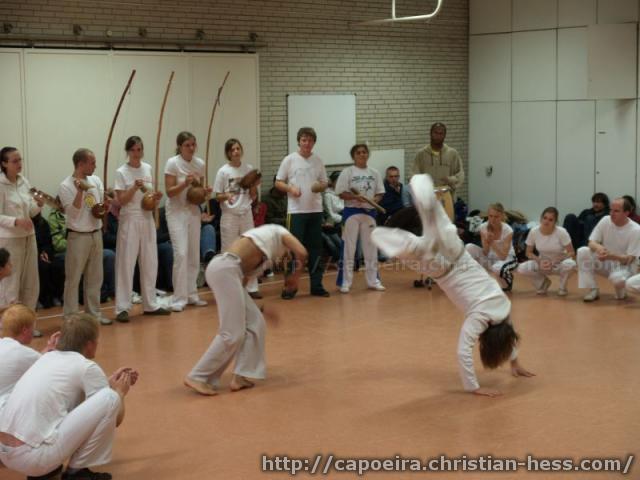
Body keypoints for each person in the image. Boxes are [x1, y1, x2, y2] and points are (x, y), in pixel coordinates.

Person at [371, 174, 534, 397]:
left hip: (458, 253)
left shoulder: (503, 308)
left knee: (440, 223)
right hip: (442, 271)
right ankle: (415, 244)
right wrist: (474, 387)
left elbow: (509, 332)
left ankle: (427, 204)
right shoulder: (480, 319)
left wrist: (514, 361)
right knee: (415, 250)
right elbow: (463, 352)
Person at [0, 313, 138, 479]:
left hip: (5, 453)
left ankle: (45, 469)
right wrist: (120, 392)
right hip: (34, 459)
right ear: (90, 344)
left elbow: (79, 400)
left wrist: (108, 383)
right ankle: (77, 472)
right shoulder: (86, 366)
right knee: (110, 398)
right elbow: (114, 418)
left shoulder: (46, 358)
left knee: (89, 398)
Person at [184, 224, 307, 396]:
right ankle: (197, 376)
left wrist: (261, 309)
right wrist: (295, 278)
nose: (284, 261)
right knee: (232, 333)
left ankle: (241, 375)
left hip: (226, 272)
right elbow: (302, 252)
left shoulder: (265, 255)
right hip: (225, 269)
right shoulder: (280, 232)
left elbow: (241, 288)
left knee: (256, 322)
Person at [113, 136, 170, 323]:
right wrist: (133, 188)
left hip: (146, 219)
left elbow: (149, 197)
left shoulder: (147, 168)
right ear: (128, 152)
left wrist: (156, 198)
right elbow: (121, 201)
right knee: (126, 263)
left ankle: (150, 304)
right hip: (130, 219)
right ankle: (122, 307)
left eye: (139, 149)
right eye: (133, 150)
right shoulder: (121, 172)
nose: (137, 153)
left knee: (150, 262)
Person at [58, 148, 111, 325]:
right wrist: (80, 191)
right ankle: (70, 316)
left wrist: (105, 206)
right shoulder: (66, 185)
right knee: (73, 278)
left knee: (95, 277)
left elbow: (98, 207)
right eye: (92, 163)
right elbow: (72, 214)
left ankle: (93, 314)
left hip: (96, 233)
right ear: (81, 164)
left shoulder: (95, 180)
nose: (95, 166)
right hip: (78, 236)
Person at [275, 127, 330, 298]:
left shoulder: (318, 160)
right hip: (296, 212)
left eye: (310, 140)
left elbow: (325, 182)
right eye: (304, 140)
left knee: (315, 250)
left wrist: (320, 186)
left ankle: (317, 286)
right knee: (294, 251)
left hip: (315, 210)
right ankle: (290, 287)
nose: (307, 143)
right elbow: (278, 182)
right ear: (299, 141)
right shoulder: (289, 160)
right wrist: (290, 189)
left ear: (314, 142)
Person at [164, 131, 211, 312]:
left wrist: (205, 192)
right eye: (187, 145)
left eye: (193, 144)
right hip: (176, 212)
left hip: (193, 211)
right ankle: (179, 297)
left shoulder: (200, 164)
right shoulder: (172, 163)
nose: (191, 148)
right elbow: (169, 192)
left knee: (193, 254)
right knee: (181, 253)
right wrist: (185, 183)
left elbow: (199, 192)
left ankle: (192, 293)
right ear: (180, 147)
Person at [335, 144, 386, 293]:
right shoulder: (347, 172)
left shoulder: (374, 173)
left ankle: (373, 281)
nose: (362, 154)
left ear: (368, 155)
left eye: (364, 152)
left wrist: (374, 201)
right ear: (353, 156)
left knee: (371, 248)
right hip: (352, 212)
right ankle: (345, 282)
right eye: (358, 153)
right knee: (349, 248)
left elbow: (380, 193)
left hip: (369, 213)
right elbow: (341, 193)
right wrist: (355, 197)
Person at [213, 138, 260, 299]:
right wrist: (226, 195)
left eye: (238, 148)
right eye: (232, 150)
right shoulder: (223, 171)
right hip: (229, 215)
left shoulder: (248, 169)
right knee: (229, 251)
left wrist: (253, 185)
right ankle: (227, 287)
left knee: (250, 249)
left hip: (246, 213)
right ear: (228, 153)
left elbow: (253, 195)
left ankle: (252, 287)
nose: (236, 152)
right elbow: (217, 196)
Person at [0, 147, 43, 316]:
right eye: (14, 161)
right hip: (10, 239)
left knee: (31, 282)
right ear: (4, 164)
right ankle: (9, 324)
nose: (19, 163)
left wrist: (39, 204)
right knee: (11, 283)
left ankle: (28, 323)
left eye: (20, 160)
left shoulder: (24, 181)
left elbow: (31, 211)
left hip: (29, 236)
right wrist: (16, 221)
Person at [577, 197, 640, 302]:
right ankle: (593, 289)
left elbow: (629, 259)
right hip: (606, 261)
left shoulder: (636, 230)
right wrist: (600, 248)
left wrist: (611, 255)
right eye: (611, 210)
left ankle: (621, 291)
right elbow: (591, 242)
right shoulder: (605, 220)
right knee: (582, 251)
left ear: (626, 213)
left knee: (617, 280)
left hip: (624, 267)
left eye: (616, 211)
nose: (611, 213)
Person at [0, 305, 59, 415]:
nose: (33, 331)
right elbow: (50, 367)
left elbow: (34, 359)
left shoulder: (6, 345)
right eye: (33, 327)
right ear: (25, 330)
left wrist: (48, 348)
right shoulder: (22, 352)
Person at [517, 207, 576, 296]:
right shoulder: (534, 231)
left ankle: (562, 287)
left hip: (558, 264)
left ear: (555, 222)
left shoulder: (561, 232)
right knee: (521, 268)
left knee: (571, 264)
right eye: (545, 218)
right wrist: (539, 261)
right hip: (542, 263)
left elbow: (571, 252)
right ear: (541, 218)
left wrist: (556, 260)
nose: (546, 221)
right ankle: (543, 283)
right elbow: (528, 252)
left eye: (550, 220)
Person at [465, 203, 518, 292]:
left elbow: (503, 256)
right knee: (469, 247)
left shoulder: (508, 230)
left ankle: (508, 277)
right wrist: (487, 241)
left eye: (496, 217)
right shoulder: (483, 227)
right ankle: (474, 278)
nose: (493, 219)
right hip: (491, 258)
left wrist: (492, 242)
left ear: (502, 216)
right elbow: (485, 252)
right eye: (490, 216)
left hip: (507, 258)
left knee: (503, 284)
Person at [411, 122, 465, 198]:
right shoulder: (421, 154)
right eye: (435, 133)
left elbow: (460, 175)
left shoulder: (452, 154)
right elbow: (413, 175)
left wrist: (450, 180)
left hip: (447, 197)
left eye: (441, 133)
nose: (438, 136)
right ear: (430, 134)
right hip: (427, 197)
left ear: (444, 135)